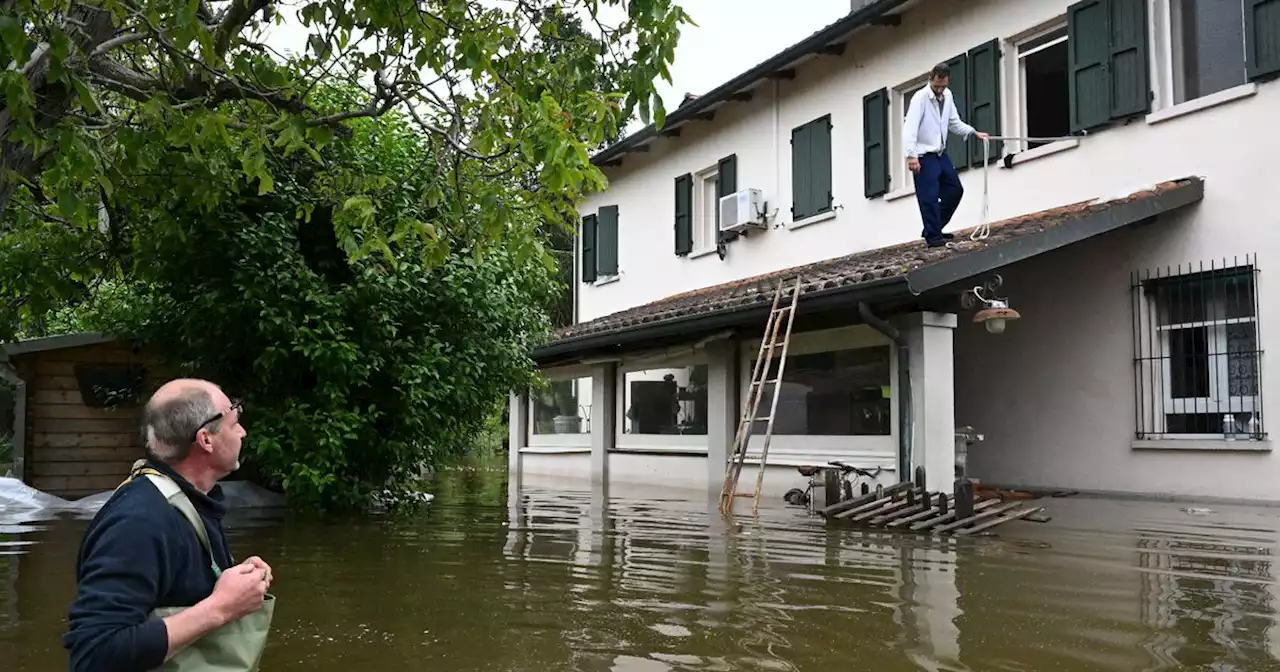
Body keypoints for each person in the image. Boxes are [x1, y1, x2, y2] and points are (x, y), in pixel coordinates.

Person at [63, 378, 273, 671]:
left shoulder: (190, 501)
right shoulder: (139, 522)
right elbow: (94, 655)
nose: (243, 432)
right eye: (234, 422)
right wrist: (220, 608)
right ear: (206, 439)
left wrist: (235, 584)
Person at [902, 62, 990, 248]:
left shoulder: (947, 96)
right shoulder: (920, 99)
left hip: (940, 154)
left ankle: (932, 228)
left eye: (943, 86)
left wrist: (973, 132)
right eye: (937, 86)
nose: (940, 90)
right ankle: (933, 237)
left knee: (954, 190)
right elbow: (909, 129)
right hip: (923, 155)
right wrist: (911, 156)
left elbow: (954, 122)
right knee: (930, 197)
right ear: (930, 80)